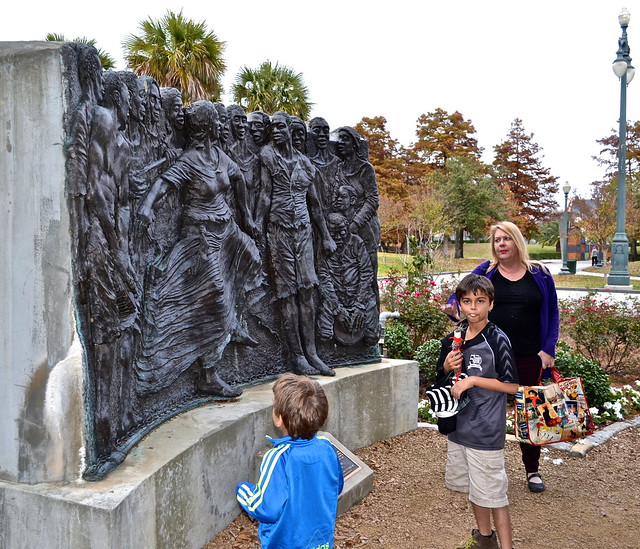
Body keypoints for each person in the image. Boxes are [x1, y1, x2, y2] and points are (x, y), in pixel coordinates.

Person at [442, 221, 560, 493]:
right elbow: (461, 294)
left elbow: (552, 314)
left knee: (530, 412)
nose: (502, 244)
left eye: (507, 238)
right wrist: (452, 308)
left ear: (517, 241)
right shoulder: (487, 271)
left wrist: (548, 349)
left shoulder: (540, 274)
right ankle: (481, 465)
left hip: (530, 355)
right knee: (481, 407)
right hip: (489, 355)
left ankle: (532, 469)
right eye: (497, 240)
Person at [436, 274, 518, 549]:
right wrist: (447, 366)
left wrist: (472, 380)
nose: (473, 308)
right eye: (467, 301)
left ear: (491, 304)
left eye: (480, 301)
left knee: (494, 495)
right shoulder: (454, 337)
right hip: (459, 428)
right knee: (475, 488)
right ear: (459, 304)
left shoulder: (497, 339)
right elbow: (441, 379)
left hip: (485, 430)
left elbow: (512, 385)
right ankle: (484, 538)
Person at [254, 111, 336, 377]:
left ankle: (312, 353)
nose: (275, 132)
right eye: (273, 128)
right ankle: (297, 356)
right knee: (287, 293)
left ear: (291, 130)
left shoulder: (305, 162)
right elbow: (265, 194)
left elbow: (315, 203)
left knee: (308, 292)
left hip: (303, 232)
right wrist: (256, 225)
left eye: (280, 127)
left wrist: (325, 235)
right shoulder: (267, 155)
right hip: (279, 231)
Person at [236, 373, 344, 549]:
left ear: (279, 419)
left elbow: (267, 509)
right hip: (320, 542)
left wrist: (243, 490)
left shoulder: (278, 458)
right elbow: (337, 485)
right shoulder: (327, 447)